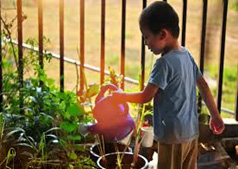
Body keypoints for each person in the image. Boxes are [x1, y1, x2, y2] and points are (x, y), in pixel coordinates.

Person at [111, 1, 225, 169]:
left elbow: (145, 96)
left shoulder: (163, 64)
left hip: (172, 138)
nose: (145, 43)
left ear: (162, 34)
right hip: (191, 134)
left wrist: (121, 96)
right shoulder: (186, 55)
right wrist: (215, 115)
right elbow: (203, 86)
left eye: (147, 36)